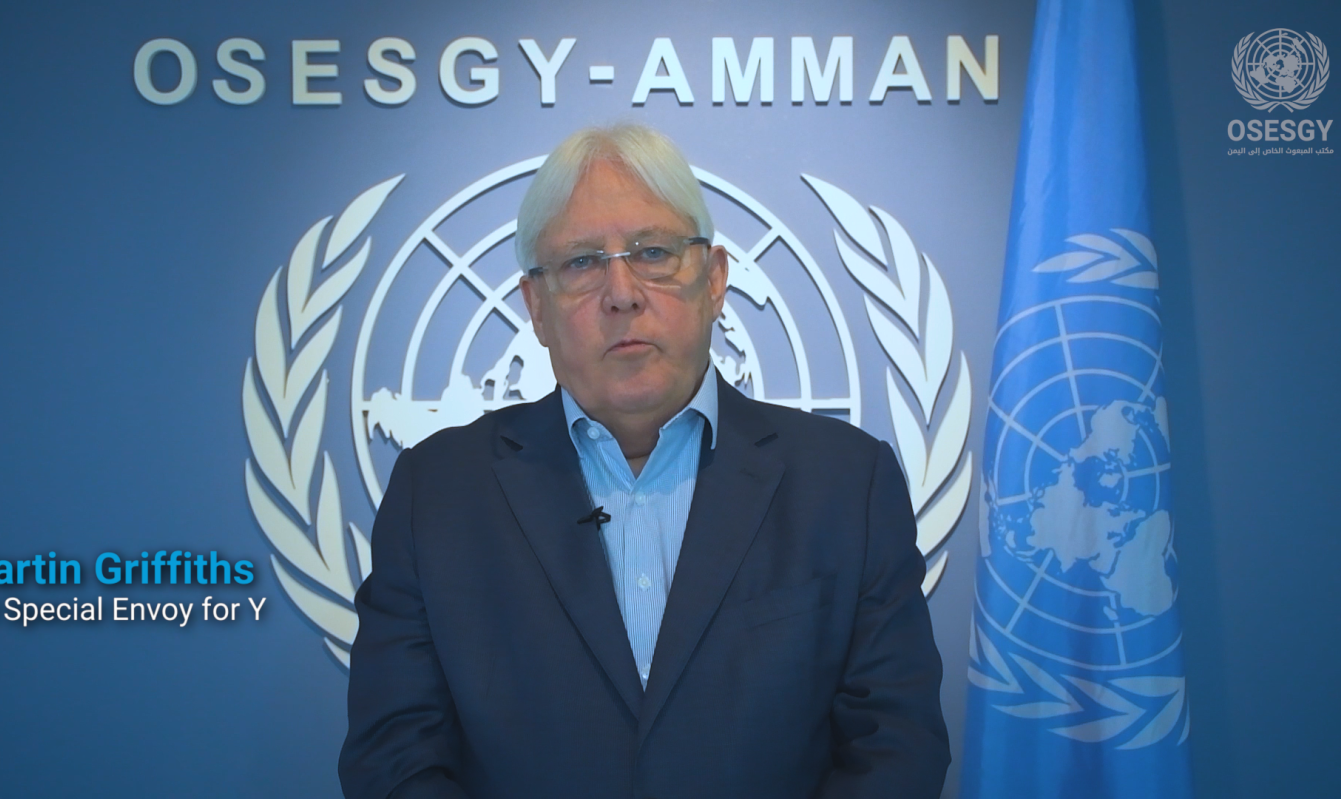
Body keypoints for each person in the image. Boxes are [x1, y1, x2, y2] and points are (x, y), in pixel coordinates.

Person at [339, 124, 950, 799]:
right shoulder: (437, 494)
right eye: (581, 263)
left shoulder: (846, 485)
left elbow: (895, 749)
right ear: (536, 308)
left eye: (653, 252)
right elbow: (394, 761)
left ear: (714, 281)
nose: (622, 292)